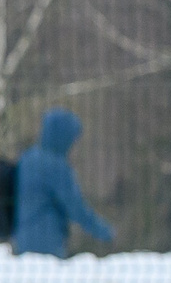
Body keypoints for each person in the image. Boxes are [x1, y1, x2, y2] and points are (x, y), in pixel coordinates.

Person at [11, 106, 114, 258]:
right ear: (62, 137)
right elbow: (75, 207)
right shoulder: (56, 165)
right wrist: (104, 232)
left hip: (21, 242)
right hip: (47, 246)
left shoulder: (27, 158)